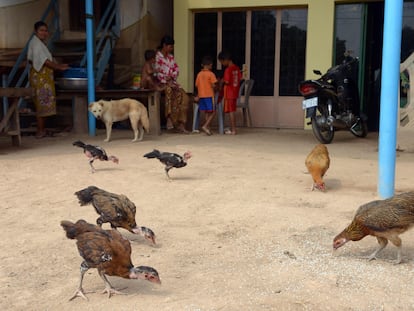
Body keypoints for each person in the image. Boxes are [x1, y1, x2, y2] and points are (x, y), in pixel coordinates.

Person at [27, 21, 69, 138]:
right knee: (41, 104)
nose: (44, 33)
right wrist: (59, 67)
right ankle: (40, 130)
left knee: (43, 104)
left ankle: (42, 129)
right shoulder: (36, 44)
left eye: (46, 30)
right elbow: (44, 61)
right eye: (41, 30)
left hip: (44, 77)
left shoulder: (40, 43)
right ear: (36, 31)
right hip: (40, 77)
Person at [154, 35, 189, 133]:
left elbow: (176, 70)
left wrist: (171, 77)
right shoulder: (156, 57)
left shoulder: (171, 57)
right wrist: (166, 80)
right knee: (169, 90)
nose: (171, 49)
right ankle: (169, 118)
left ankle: (181, 124)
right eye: (170, 46)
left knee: (184, 97)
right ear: (164, 45)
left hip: (172, 82)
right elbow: (156, 73)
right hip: (161, 84)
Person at [218, 51, 242, 135]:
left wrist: (221, 81)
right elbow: (240, 78)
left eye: (222, 62)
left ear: (226, 60)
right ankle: (232, 128)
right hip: (235, 92)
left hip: (229, 93)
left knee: (231, 111)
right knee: (232, 110)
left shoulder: (228, 70)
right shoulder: (237, 68)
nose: (222, 63)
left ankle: (233, 130)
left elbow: (227, 81)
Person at [194, 56, 218, 136]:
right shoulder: (211, 74)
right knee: (213, 112)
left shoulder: (199, 74)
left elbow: (197, 85)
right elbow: (214, 85)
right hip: (209, 95)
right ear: (210, 65)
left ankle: (208, 128)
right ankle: (205, 125)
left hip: (201, 96)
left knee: (206, 112)